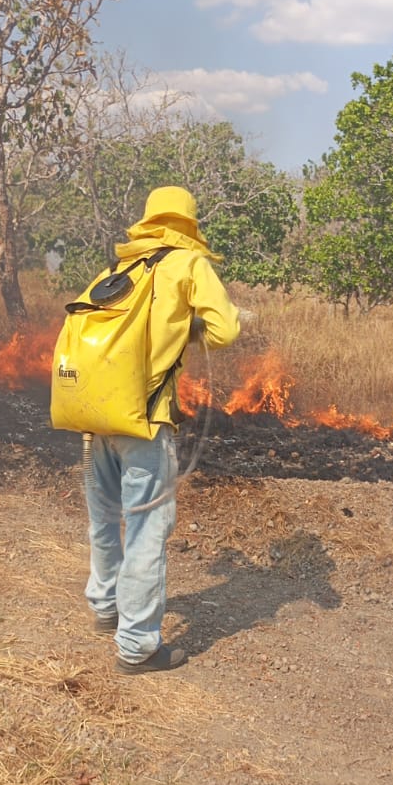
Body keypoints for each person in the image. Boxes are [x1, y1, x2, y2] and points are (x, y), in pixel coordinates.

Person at [84, 186, 240, 674]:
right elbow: (226, 330)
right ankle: (137, 647)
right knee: (148, 531)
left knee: (105, 517)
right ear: (188, 225)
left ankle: (105, 607)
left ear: (148, 222)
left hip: (94, 416)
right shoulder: (189, 265)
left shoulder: (117, 270)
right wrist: (188, 328)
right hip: (145, 420)